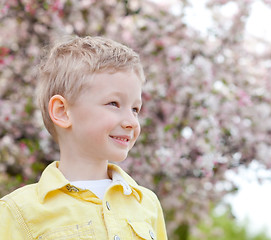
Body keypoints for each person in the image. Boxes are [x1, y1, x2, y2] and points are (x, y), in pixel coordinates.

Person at [0, 36, 167, 240]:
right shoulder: (18, 211)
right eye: (114, 103)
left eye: (135, 109)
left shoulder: (147, 203)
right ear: (62, 111)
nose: (131, 121)